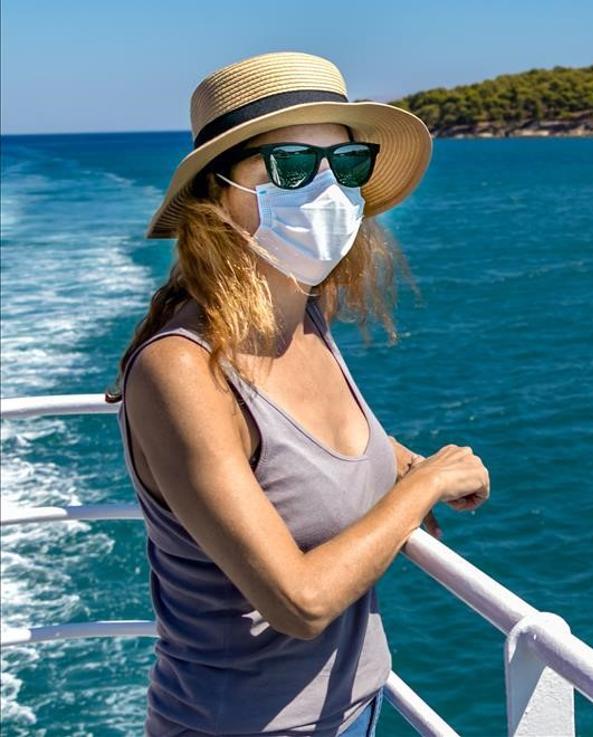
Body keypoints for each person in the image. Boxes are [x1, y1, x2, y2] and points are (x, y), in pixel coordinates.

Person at [103, 50, 490, 736]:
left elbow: (311, 449)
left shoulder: (305, 318)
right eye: (290, 166)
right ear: (216, 194)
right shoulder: (181, 372)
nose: (327, 190)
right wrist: (419, 488)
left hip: (356, 709)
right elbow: (299, 601)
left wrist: (401, 462)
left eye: (345, 166)